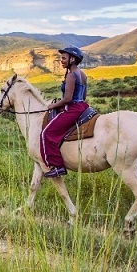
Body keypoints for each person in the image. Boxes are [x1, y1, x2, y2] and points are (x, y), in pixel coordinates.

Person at [40, 46, 89, 178]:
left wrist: (53, 105)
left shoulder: (71, 75)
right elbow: (83, 97)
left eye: (63, 58)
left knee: (47, 133)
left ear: (72, 59)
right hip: (82, 106)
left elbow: (67, 99)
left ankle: (58, 166)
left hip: (72, 109)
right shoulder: (82, 74)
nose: (61, 60)